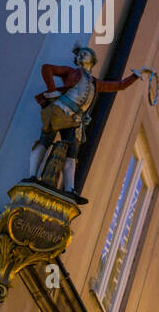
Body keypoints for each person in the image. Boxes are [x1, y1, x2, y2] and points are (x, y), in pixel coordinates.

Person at [29, 45, 141, 199]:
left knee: (72, 153)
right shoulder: (72, 72)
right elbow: (47, 68)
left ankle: (70, 190)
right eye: (80, 54)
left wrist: (135, 76)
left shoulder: (95, 83)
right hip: (60, 110)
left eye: (85, 54)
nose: (82, 56)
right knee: (45, 140)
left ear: (92, 61)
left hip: (75, 119)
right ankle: (32, 176)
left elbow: (119, 85)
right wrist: (52, 90)